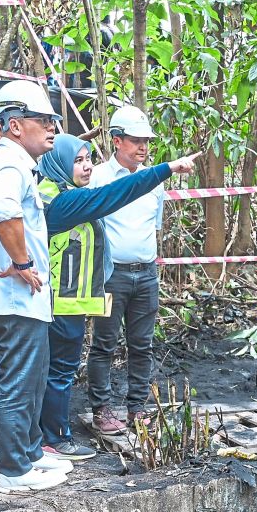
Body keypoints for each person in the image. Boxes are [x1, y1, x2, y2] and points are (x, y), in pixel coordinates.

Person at [35, 133, 197, 460]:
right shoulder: (61, 201)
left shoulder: (60, 192)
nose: (85, 167)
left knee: (58, 368)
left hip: (69, 299)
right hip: (59, 300)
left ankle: (50, 436)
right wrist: (165, 168)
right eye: (77, 161)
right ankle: (53, 438)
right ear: (59, 163)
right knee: (60, 369)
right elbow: (114, 195)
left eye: (87, 159)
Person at [0, 80, 71, 492]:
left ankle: (30, 454)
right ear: (15, 125)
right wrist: (22, 262)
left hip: (22, 297)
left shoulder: (19, 163)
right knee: (17, 381)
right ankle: (14, 471)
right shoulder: (9, 165)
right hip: (11, 297)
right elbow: (2, 209)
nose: (51, 127)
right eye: (43, 119)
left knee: (32, 378)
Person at [87, 105, 172, 434]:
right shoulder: (99, 178)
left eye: (146, 141)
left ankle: (137, 407)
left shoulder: (154, 182)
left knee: (142, 343)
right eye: (136, 140)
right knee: (104, 343)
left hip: (146, 273)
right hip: (111, 275)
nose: (143, 148)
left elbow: (156, 227)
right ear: (117, 140)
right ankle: (102, 408)